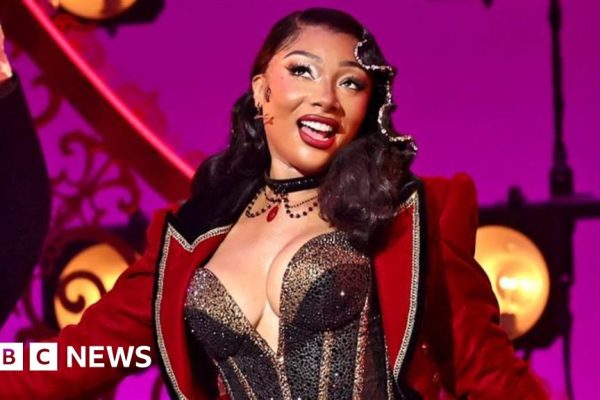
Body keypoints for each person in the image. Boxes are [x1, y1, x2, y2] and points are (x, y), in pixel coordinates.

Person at [0, 8, 548, 400]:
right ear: (262, 90)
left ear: (369, 107)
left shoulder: (406, 218)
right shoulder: (190, 234)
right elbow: (77, 359)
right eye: (302, 70)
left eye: (351, 83)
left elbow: (490, 375)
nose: (325, 98)